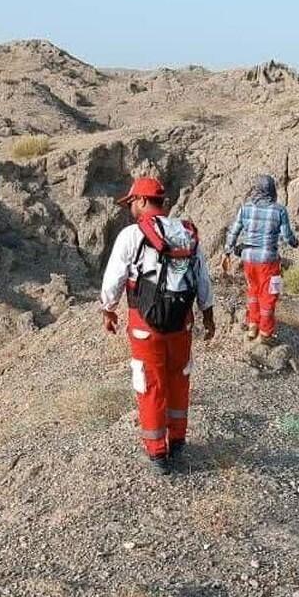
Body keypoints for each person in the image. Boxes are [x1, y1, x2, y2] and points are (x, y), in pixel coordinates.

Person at [100, 176, 215, 475]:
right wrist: (208, 313)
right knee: (179, 379)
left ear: (141, 201)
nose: (130, 209)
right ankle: (177, 442)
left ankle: (156, 453)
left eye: (131, 203)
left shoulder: (131, 235)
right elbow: (202, 275)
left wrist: (108, 309)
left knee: (150, 385)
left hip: (145, 325)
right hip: (182, 323)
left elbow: (114, 277)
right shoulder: (185, 232)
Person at [221, 174, 299, 342]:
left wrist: (227, 252)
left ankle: (252, 325)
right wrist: (295, 243)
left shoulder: (245, 208)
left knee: (253, 291)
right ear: (272, 190)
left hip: (248, 259)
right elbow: (287, 236)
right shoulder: (279, 210)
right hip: (268, 261)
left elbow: (233, 232)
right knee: (269, 295)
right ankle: (265, 332)